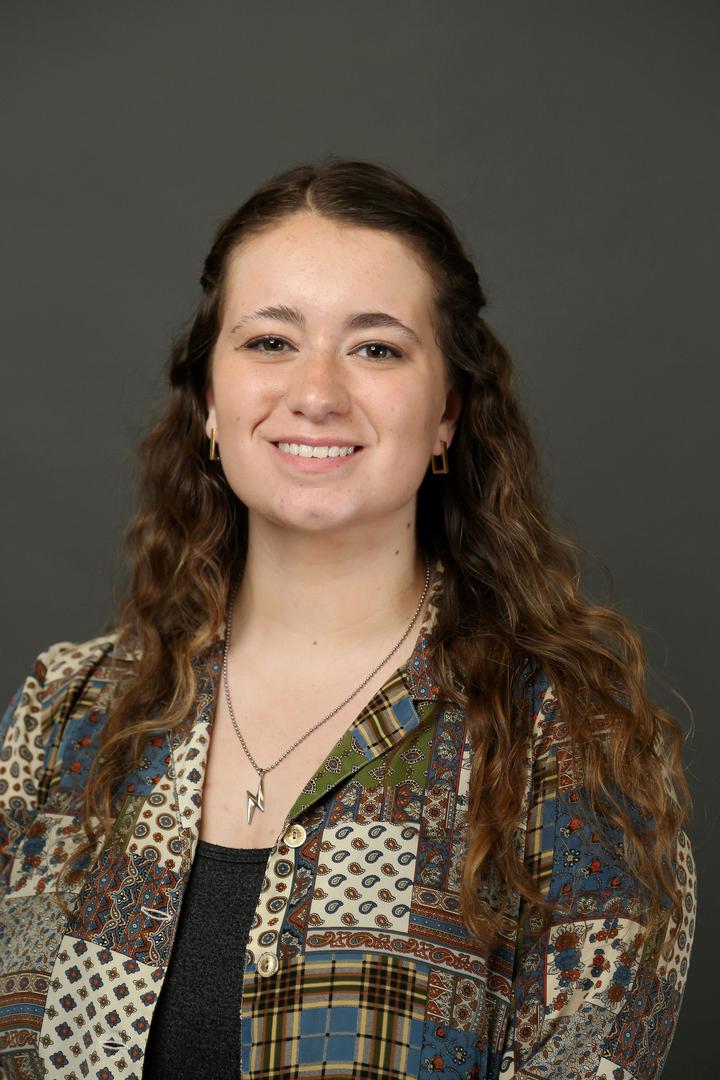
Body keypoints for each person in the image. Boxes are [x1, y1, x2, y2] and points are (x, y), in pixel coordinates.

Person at [0, 158, 694, 1080]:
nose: (317, 392)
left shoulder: (566, 742)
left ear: (446, 412)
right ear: (209, 399)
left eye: (376, 349)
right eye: (270, 342)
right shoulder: (67, 713)